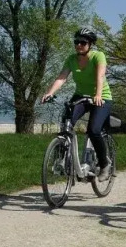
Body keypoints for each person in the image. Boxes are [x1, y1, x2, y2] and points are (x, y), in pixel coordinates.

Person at [40, 28, 113, 180]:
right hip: (80, 96)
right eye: (76, 42)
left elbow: (100, 76)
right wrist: (50, 92)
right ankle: (60, 160)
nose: (79, 45)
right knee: (66, 123)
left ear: (90, 44)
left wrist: (98, 95)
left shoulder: (98, 56)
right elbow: (62, 77)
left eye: (83, 42)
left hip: (101, 97)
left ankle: (104, 164)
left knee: (93, 130)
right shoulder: (71, 59)